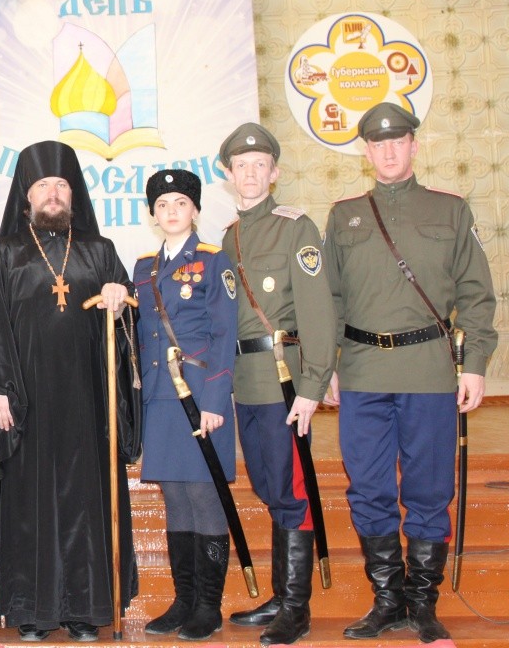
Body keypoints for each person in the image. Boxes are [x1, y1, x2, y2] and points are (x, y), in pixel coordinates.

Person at [324, 104, 497, 644]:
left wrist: (474, 365)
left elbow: (476, 294)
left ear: (414, 146)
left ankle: (422, 604)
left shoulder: (450, 210)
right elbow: (329, 299)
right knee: (368, 489)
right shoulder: (344, 216)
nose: (389, 151)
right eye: (378, 144)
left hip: (428, 371)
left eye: (398, 141)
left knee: (428, 489)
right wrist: (325, 365)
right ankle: (387, 601)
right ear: (366, 152)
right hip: (362, 372)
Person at [0, 140, 139, 642]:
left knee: (85, 502)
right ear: (27, 196)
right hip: (25, 400)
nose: (53, 193)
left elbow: (129, 320)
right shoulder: (7, 253)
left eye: (62, 186)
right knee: (29, 504)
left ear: (73, 195)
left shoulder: (100, 250)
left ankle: (85, 609)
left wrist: (121, 300)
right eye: (44, 185)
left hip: (87, 399)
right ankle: (32, 609)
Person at [218, 123, 336, 645]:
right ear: (229, 174)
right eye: (241, 165)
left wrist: (313, 385)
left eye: (260, 164)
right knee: (269, 488)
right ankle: (280, 595)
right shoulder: (228, 236)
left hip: (284, 380)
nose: (250, 173)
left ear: (275, 172)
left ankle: (296, 607)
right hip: (245, 382)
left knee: (291, 490)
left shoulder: (296, 227)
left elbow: (317, 309)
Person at [133, 169, 237, 642]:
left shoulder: (214, 261)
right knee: (175, 498)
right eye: (162, 204)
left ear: (195, 210)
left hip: (199, 397)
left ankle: (208, 606)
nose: (171, 211)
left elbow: (224, 334)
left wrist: (215, 400)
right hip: (159, 398)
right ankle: (183, 600)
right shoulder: (143, 269)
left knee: (204, 496)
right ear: (152, 214)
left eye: (180, 203)